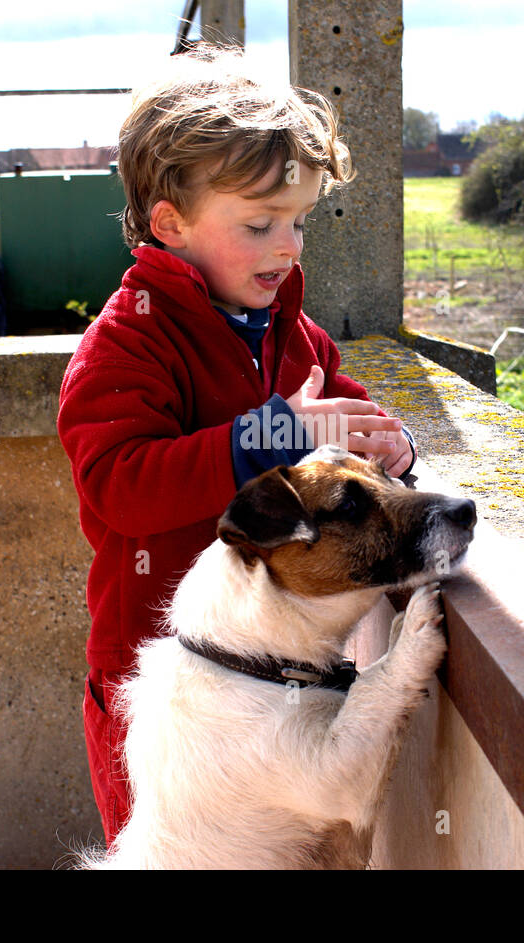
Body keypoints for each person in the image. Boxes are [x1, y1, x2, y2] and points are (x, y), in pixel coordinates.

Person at [55, 42, 417, 847]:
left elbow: (337, 411)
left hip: (283, 670)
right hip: (163, 684)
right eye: (259, 225)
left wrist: (385, 449)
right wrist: (276, 435)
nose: (287, 247)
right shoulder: (126, 346)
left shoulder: (291, 330)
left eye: (298, 222)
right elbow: (122, 483)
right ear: (170, 224)